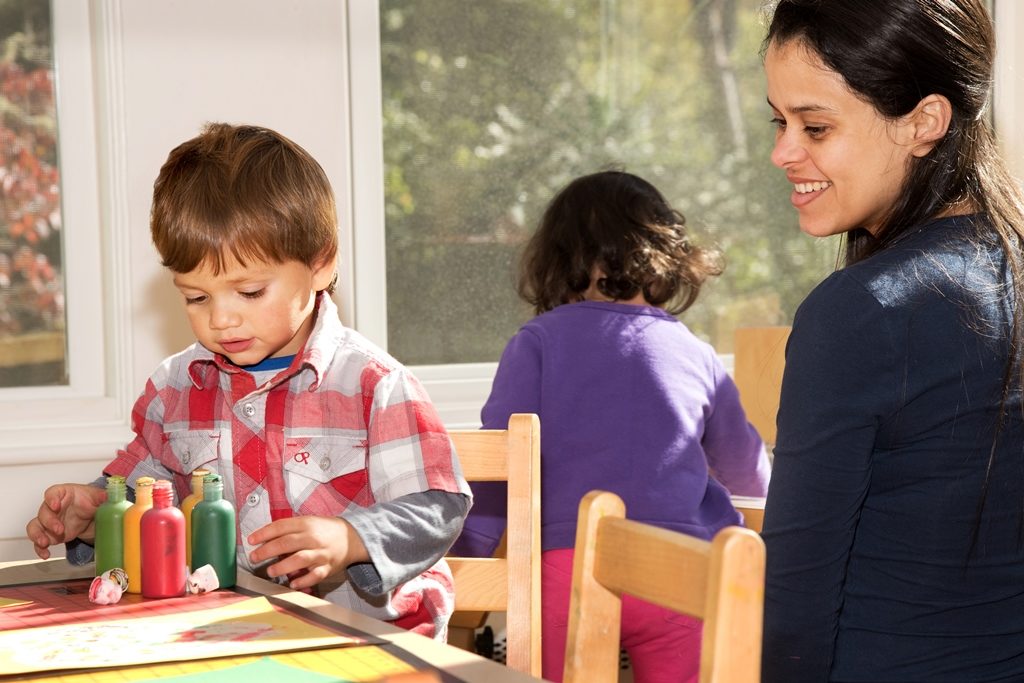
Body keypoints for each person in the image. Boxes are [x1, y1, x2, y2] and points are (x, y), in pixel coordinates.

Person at [24, 123, 471, 640]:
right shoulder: (176, 388)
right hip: (227, 634)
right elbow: (145, 490)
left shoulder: (374, 385)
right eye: (196, 298)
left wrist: (351, 539)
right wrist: (96, 511)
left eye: (251, 292)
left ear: (321, 264)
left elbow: (438, 507)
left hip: (368, 642)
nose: (221, 319)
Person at [760, 1, 1024, 680]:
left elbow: (793, 604)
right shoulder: (1009, 274)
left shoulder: (862, 312)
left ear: (924, 121)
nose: (783, 152)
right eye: (779, 121)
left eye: (816, 126)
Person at [451, 169, 771, 682]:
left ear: (557, 261)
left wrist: (466, 560)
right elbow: (749, 474)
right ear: (664, 258)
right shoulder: (696, 353)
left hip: (567, 567)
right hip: (680, 570)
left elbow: (500, 463)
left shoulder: (538, 342)